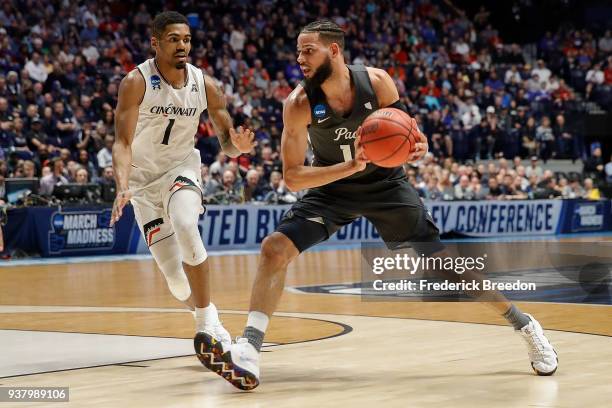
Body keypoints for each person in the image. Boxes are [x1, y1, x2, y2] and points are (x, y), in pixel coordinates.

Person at [199, 20, 558, 390]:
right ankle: (249, 349)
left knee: (447, 267)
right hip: (332, 186)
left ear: (334, 51)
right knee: (274, 248)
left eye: (309, 51)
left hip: (386, 185)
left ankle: (524, 324)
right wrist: (347, 167)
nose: (300, 59)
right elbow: (292, 176)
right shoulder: (299, 103)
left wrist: (421, 148)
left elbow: (410, 135)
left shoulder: (379, 82)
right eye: (298, 52)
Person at [110, 11, 254, 372]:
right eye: (174, 39)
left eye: (187, 39)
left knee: (186, 223)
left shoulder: (205, 85)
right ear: (155, 43)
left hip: (181, 169)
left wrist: (238, 147)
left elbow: (227, 143)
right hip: (143, 183)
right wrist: (123, 185)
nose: (183, 45)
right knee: (175, 282)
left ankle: (206, 325)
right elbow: (122, 142)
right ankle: (213, 319)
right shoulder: (135, 82)